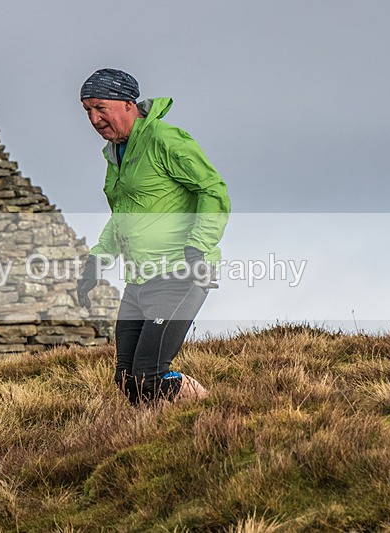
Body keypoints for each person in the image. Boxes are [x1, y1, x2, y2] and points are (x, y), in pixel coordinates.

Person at [76, 68, 231, 406]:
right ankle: (158, 437)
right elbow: (122, 217)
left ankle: (215, 410)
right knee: (127, 381)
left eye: (101, 107)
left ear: (128, 104)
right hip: (140, 280)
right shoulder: (116, 153)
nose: (94, 118)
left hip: (179, 273)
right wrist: (96, 261)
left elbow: (213, 191)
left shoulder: (165, 139)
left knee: (150, 375)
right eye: (87, 109)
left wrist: (198, 245)